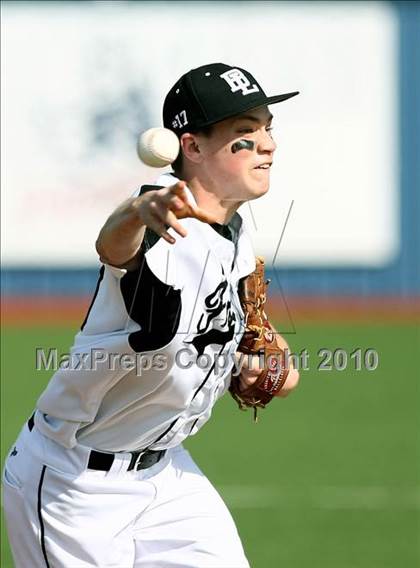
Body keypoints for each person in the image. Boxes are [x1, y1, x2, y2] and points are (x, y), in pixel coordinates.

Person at [3, 62, 300, 568]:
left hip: (167, 477)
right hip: (74, 485)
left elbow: (245, 342)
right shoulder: (159, 222)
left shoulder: (237, 231)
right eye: (244, 134)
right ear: (194, 146)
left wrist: (255, 363)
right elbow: (115, 248)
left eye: (267, 128)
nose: (267, 144)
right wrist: (137, 213)